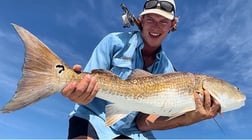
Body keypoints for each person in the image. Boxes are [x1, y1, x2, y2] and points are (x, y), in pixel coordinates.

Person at [62, 0, 220, 139]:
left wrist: (188, 118)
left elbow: (143, 123)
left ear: (172, 26)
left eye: (163, 21)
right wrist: (78, 92)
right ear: (141, 20)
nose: (155, 26)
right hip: (92, 116)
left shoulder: (168, 70)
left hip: (132, 131)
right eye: (150, 19)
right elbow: (86, 84)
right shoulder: (113, 41)